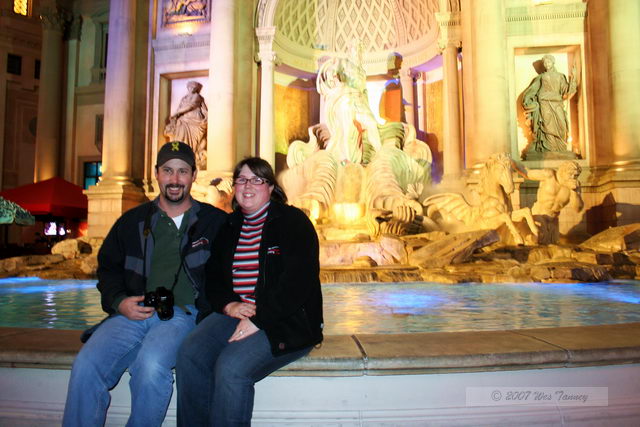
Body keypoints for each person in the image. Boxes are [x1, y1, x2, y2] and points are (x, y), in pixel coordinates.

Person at [62, 141, 227, 427]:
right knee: (86, 365)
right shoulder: (132, 222)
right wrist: (119, 302)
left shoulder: (215, 222)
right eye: (168, 170)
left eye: (182, 171)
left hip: (183, 315)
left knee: (150, 366)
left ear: (193, 175)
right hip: (132, 311)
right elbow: (109, 269)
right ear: (156, 173)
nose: (175, 179)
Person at [176, 157, 324, 426]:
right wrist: (228, 305)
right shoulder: (229, 226)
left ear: (271, 187)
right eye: (242, 180)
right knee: (190, 353)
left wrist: (259, 319)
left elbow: (298, 282)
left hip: (284, 319)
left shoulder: (292, 222)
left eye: (257, 180)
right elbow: (214, 277)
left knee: (231, 368)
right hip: (237, 313)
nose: (248, 186)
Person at [522, 54, 578, 155]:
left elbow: (566, 90)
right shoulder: (541, 77)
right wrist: (530, 102)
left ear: (553, 62)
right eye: (545, 63)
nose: (547, 64)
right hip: (544, 104)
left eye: (549, 62)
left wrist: (574, 77)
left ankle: (560, 148)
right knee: (547, 126)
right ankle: (550, 149)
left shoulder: (560, 76)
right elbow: (532, 91)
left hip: (557, 104)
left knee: (562, 125)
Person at [164, 81, 208, 169]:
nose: (192, 88)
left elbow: (190, 106)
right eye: (190, 87)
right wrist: (175, 117)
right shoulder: (184, 98)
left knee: (194, 142)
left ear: (197, 89)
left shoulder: (197, 97)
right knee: (180, 138)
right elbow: (180, 107)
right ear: (188, 88)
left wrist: (176, 113)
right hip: (183, 121)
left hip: (195, 121)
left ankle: (191, 159)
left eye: (194, 87)